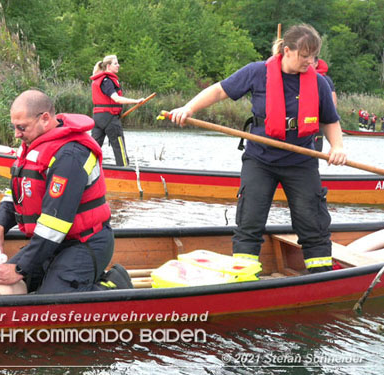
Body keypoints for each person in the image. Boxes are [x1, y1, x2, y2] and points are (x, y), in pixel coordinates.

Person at [168, 24, 347, 274]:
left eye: (314, 56)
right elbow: (219, 90)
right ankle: (244, 275)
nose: (310, 61)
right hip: (260, 160)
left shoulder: (318, 83)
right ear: (287, 50)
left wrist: (337, 147)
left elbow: (330, 120)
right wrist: (187, 108)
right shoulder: (256, 72)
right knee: (250, 220)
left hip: (301, 162)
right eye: (304, 56)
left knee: (312, 222)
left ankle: (321, 276)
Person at [0, 89, 132, 294]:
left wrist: (20, 268)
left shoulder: (70, 155)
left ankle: (114, 284)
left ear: (45, 119)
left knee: (53, 301)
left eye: (22, 127)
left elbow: (56, 222)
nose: (17, 134)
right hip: (50, 243)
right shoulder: (30, 147)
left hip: (84, 243)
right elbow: (17, 193)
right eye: (15, 127)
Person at [90, 55, 144, 167]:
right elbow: (116, 99)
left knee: (93, 149)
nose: (118, 65)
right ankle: (124, 173)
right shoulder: (107, 81)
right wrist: (136, 101)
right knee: (120, 149)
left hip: (98, 119)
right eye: (116, 63)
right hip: (110, 118)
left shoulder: (99, 79)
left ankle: (85, 171)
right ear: (108, 66)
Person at [312, 57, 337, 151]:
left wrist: (328, 118)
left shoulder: (324, 79)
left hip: (317, 124)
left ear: (316, 63)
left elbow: (333, 100)